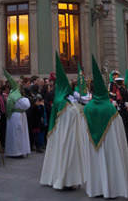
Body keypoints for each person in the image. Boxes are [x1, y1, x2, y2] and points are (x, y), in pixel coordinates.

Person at [82, 56, 128, 198]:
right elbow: (118, 130)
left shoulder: (87, 108)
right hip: (109, 144)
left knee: (95, 164)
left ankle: (96, 188)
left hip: (93, 144)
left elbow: (83, 128)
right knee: (110, 162)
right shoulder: (110, 109)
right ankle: (111, 188)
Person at [40, 52, 85, 190]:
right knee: (66, 155)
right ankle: (65, 180)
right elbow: (73, 115)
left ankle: (59, 178)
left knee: (58, 154)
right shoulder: (63, 102)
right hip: (67, 134)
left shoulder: (61, 100)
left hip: (62, 133)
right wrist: (76, 106)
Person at [3, 69, 31, 158]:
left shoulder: (12, 94)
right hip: (18, 116)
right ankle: (16, 152)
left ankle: (19, 150)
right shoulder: (15, 95)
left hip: (15, 116)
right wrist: (26, 99)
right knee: (17, 134)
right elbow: (26, 104)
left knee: (16, 133)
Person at [109, 77, 128, 148]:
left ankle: (125, 143)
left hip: (122, 110)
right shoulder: (126, 90)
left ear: (116, 83)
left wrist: (120, 106)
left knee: (123, 126)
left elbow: (120, 101)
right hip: (127, 110)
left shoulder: (118, 91)